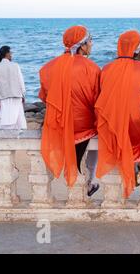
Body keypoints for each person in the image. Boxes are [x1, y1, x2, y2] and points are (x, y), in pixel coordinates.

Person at [95, 30, 140, 198]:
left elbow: (101, 98)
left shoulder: (106, 68)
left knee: (119, 124)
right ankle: (136, 168)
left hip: (114, 125)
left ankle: (130, 168)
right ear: (138, 49)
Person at [39, 25, 100, 197]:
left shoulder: (48, 68)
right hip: (84, 125)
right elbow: (98, 99)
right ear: (82, 45)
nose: (91, 44)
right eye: (90, 41)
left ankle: (86, 177)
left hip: (59, 123)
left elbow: (45, 97)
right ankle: (91, 177)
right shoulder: (92, 68)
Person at [0, 46, 27, 130]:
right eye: (10, 53)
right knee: (20, 119)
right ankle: (21, 136)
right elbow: (21, 81)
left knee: (7, 118)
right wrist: (23, 94)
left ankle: (8, 136)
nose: (11, 55)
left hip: (4, 96)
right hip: (17, 95)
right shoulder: (15, 65)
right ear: (7, 54)